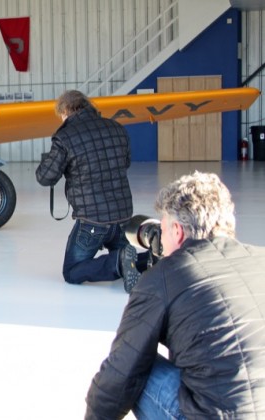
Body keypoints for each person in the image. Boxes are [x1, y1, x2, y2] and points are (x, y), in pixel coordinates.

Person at [85, 171, 265, 419]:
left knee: (138, 365)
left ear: (177, 231)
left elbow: (120, 371)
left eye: (164, 229)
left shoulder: (163, 276)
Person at [35, 89, 141, 292]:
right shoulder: (117, 128)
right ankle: (148, 259)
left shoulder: (65, 136)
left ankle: (118, 261)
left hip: (92, 221)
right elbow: (125, 163)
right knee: (128, 254)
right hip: (123, 216)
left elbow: (45, 177)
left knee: (72, 272)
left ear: (65, 111)